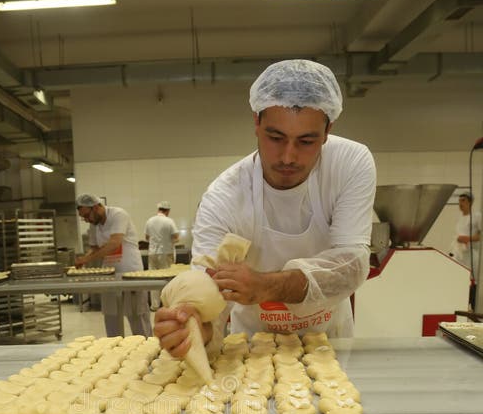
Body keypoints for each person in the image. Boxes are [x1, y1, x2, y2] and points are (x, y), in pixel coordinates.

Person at [154, 59, 376, 359]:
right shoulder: (224, 197)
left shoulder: (350, 163)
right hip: (252, 350)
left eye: (307, 141)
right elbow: (208, 293)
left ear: (327, 131)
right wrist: (194, 327)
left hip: (329, 343)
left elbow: (352, 266)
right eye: (275, 137)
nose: (288, 156)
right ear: (256, 123)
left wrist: (266, 286)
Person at [75, 194, 152, 338]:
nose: (86, 220)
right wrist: (84, 259)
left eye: (86, 215)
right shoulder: (94, 225)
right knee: (111, 315)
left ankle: (148, 346)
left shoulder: (118, 214)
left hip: (130, 271)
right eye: (83, 217)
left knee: (136, 314)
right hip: (109, 274)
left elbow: (115, 242)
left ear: (96, 207)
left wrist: (88, 258)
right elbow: (94, 248)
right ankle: (113, 346)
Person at [144, 201, 179, 309]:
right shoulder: (169, 221)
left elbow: (146, 238)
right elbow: (176, 237)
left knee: (153, 280)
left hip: (152, 253)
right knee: (167, 279)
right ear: (167, 211)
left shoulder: (149, 221)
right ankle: (167, 304)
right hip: (166, 253)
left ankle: (154, 305)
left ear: (158, 209)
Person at [449, 192, 481, 276]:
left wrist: (467, 238)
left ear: (470, 202)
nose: (460, 203)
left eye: (463, 200)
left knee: (471, 280)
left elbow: (480, 236)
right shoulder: (459, 218)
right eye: (459, 201)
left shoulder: (477, 216)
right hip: (459, 255)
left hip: (472, 256)